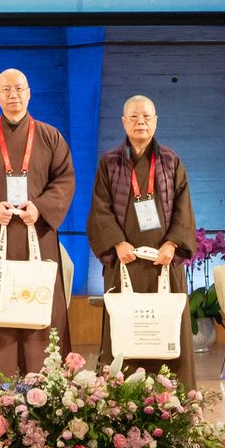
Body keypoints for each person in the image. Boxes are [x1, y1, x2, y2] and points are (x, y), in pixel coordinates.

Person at [0, 68, 77, 380]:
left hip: (38, 234)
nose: (13, 95)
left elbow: (64, 180)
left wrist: (41, 208)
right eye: (6, 90)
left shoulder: (51, 137)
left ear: (29, 93)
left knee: (41, 306)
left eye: (19, 89)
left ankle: (45, 379)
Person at [86, 93, 197, 390]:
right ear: (124, 122)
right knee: (124, 334)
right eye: (134, 117)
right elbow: (100, 209)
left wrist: (172, 244)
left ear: (156, 121)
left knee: (168, 331)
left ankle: (174, 399)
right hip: (125, 261)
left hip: (164, 262)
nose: (141, 122)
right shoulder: (109, 163)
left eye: (146, 116)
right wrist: (116, 243)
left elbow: (184, 208)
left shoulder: (171, 161)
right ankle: (119, 400)